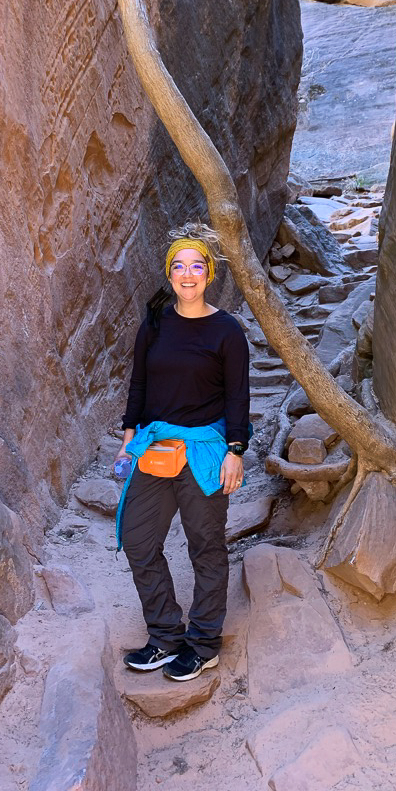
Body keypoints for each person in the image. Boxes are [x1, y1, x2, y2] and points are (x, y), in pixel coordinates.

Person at [114, 222, 250, 682]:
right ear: (168, 274)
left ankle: (203, 642)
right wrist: (129, 435)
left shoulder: (227, 331)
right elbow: (139, 384)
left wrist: (237, 450)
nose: (187, 274)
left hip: (206, 452)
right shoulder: (154, 324)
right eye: (178, 266)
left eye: (196, 266)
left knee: (206, 546)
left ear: (209, 273)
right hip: (155, 446)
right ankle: (166, 635)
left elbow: (238, 396)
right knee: (137, 538)